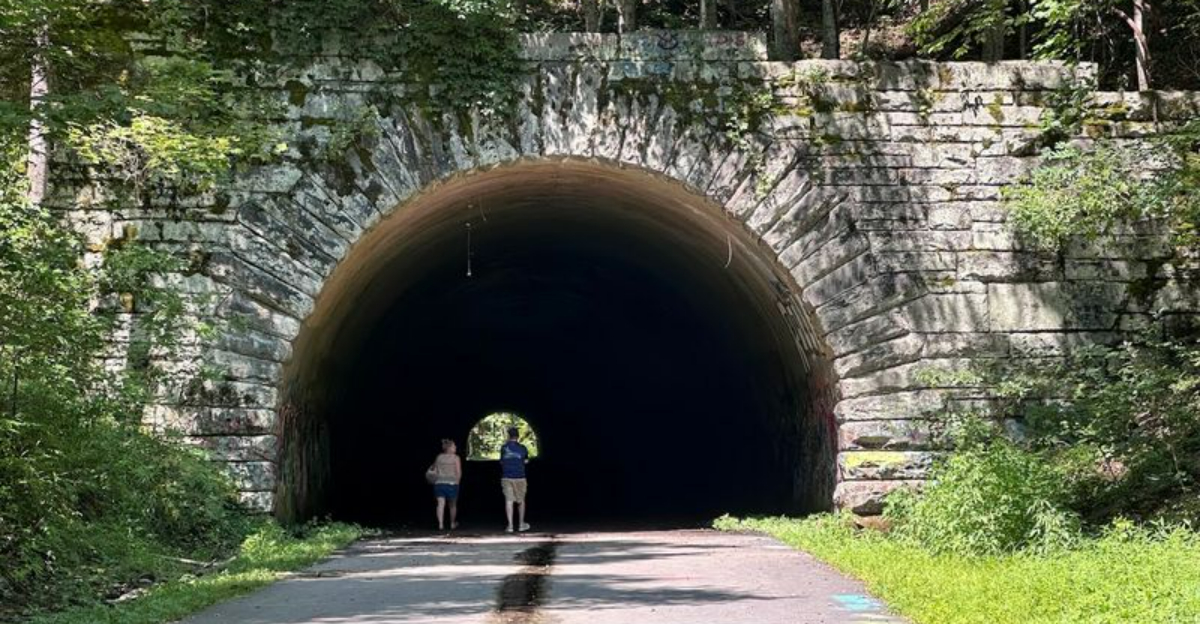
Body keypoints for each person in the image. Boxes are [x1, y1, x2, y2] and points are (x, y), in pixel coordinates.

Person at [499, 427, 530, 533]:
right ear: (518, 436)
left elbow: (502, 462)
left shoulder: (503, 448)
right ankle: (521, 524)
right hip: (520, 477)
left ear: (508, 436)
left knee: (509, 501)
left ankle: (510, 526)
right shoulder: (523, 448)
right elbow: (526, 461)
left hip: (507, 477)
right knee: (521, 501)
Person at [430, 439, 462, 531]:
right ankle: (452, 523)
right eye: (454, 446)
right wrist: (457, 483)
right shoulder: (456, 458)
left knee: (440, 504)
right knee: (452, 505)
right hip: (452, 484)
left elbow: (433, 469)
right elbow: (458, 472)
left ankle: (440, 524)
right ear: (450, 448)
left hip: (439, 483)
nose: (455, 447)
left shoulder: (439, 457)